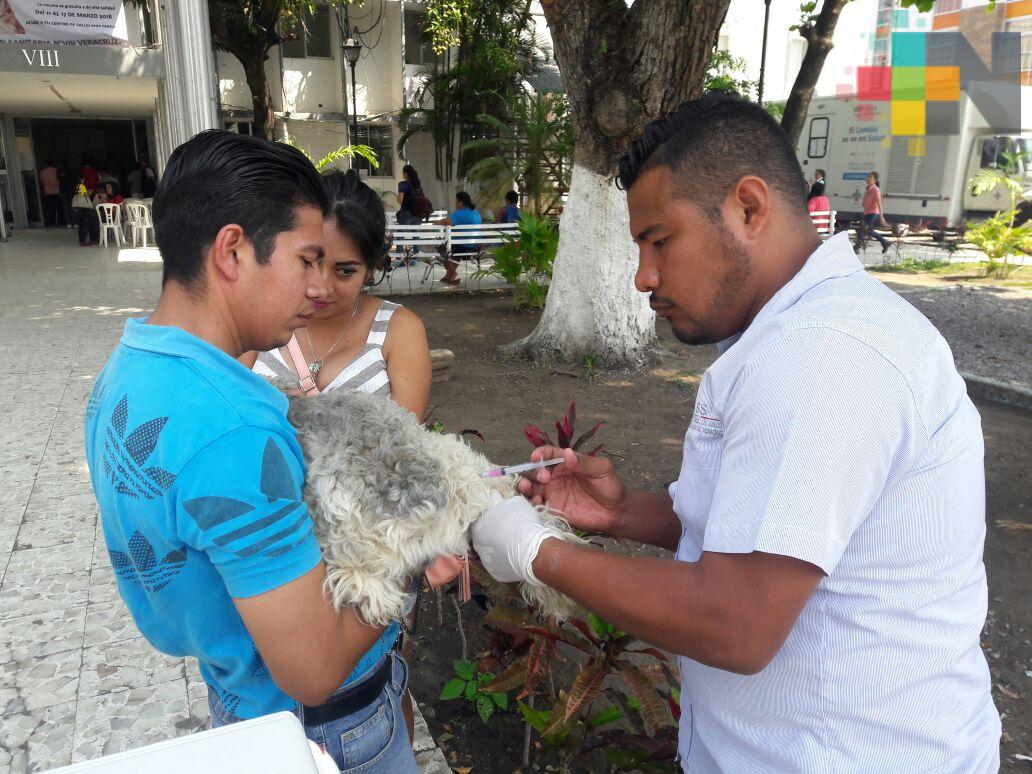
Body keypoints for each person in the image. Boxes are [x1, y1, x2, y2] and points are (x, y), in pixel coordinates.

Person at [471, 93, 1000, 772]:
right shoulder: (796, 336)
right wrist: (622, 511)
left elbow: (737, 622)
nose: (644, 277)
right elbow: (770, 529)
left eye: (659, 240)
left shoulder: (826, 353)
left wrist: (537, 551)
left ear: (749, 209)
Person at [84, 130, 418, 773]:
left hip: (239, 699)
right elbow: (314, 670)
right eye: (306, 259)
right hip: (330, 730)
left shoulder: (124, 372)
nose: (316, 285)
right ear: (233, 251)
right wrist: (419, 543)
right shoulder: (234, 428)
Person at [433, 191, 481, 284]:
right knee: (452, 249)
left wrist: (435, 223)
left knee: (443, 249)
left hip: (462, 246)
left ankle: (451, 274)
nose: (455, 203)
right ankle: (450, 275)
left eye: (456, 201)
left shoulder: (460, 213)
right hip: (474, 245)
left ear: (461, 203)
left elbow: (447, 221)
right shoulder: (476, 213)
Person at [858, 170, 891, 253]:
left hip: (872, 213)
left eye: (871, 177)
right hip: (867, 212)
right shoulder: (868, 190)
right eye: (868, 177)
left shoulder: (875, 190)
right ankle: (884, 242)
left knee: (866, 229)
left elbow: (879, 203)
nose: (868, 179)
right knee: (864, 229)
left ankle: (857, 247)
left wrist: (881, 216)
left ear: (875, 180)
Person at [39, 160, 64, 227]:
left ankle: (50, 222)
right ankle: (60, 222)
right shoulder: (56, 170)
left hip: (47, 193)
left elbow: (42, 181)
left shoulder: (43, 171)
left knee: (49, 209)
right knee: (59, 208)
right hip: (56, 192)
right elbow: (60, 180)